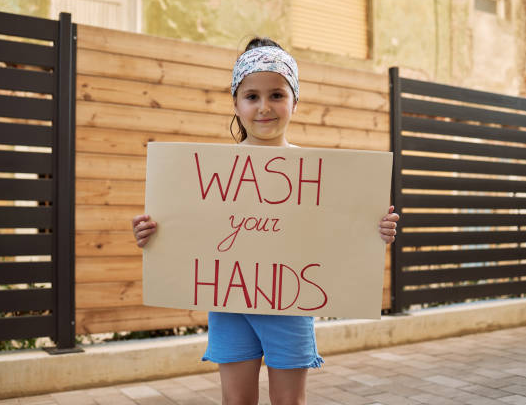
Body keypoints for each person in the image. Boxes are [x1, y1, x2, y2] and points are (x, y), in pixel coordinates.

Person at [132, 37, 400, 405]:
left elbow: (339, 234)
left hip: (290, 305)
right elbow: (189, 230)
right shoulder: (207, 173)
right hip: (228, 305)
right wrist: (153, 235)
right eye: (252, 96)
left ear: (294, 100)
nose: (264, 107)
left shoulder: (319, 174)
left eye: (277, 95)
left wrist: (376, 231)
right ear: (236, 103)